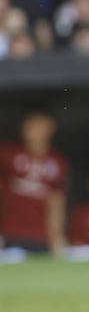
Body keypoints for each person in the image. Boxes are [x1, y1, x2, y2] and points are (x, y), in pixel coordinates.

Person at [0, 107, 69, 256]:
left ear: (50, 127)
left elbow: (56, 202)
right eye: (27, 123)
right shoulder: (7, 154)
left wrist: (56, 237)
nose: (30, 128)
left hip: (40, 237)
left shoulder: (57, 162)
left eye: (36, 123)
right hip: (9, 234)